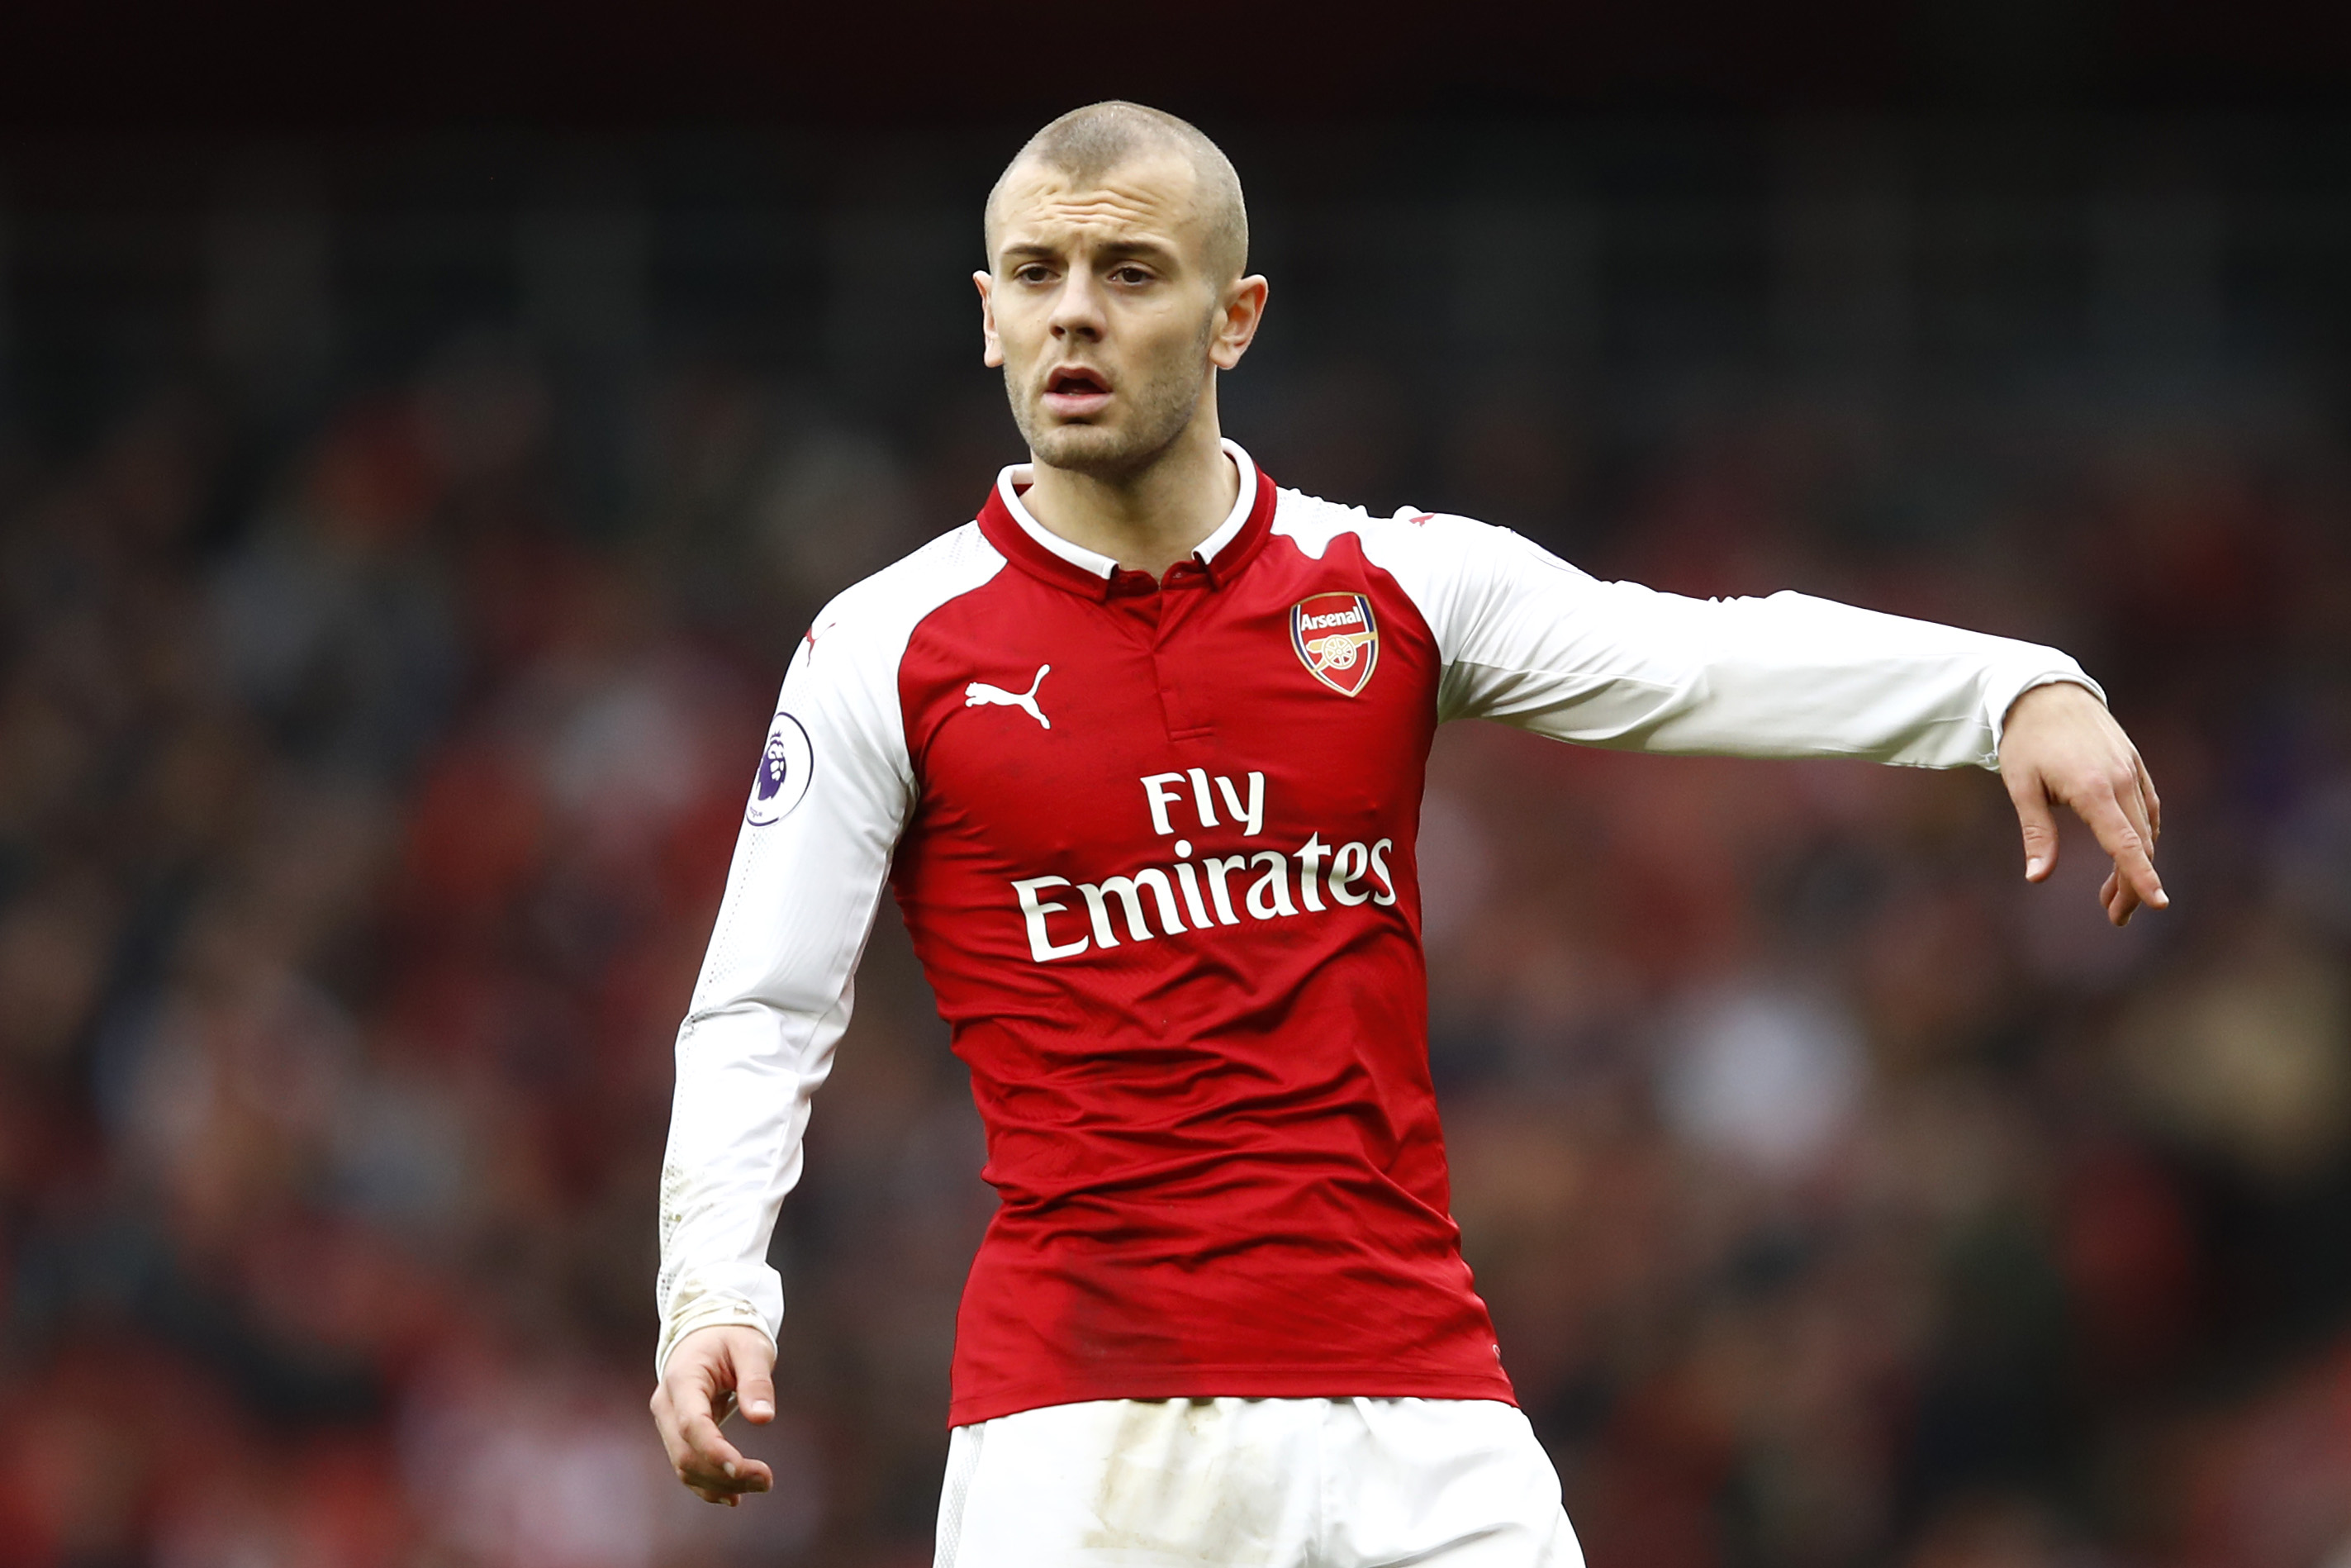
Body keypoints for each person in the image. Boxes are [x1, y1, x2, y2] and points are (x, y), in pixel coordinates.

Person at [648, 102, 2165, 1566]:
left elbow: (1695, 652)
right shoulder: (886, 647)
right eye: (1036, 276)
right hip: (1083, 1424)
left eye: (1130, 273)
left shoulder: (1391, 585)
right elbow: (761, 1009)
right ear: (988, 317)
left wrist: (2005, 687)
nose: (1075, 316)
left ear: (1235, 317)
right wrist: (714, 1290)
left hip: (1419, 1407)